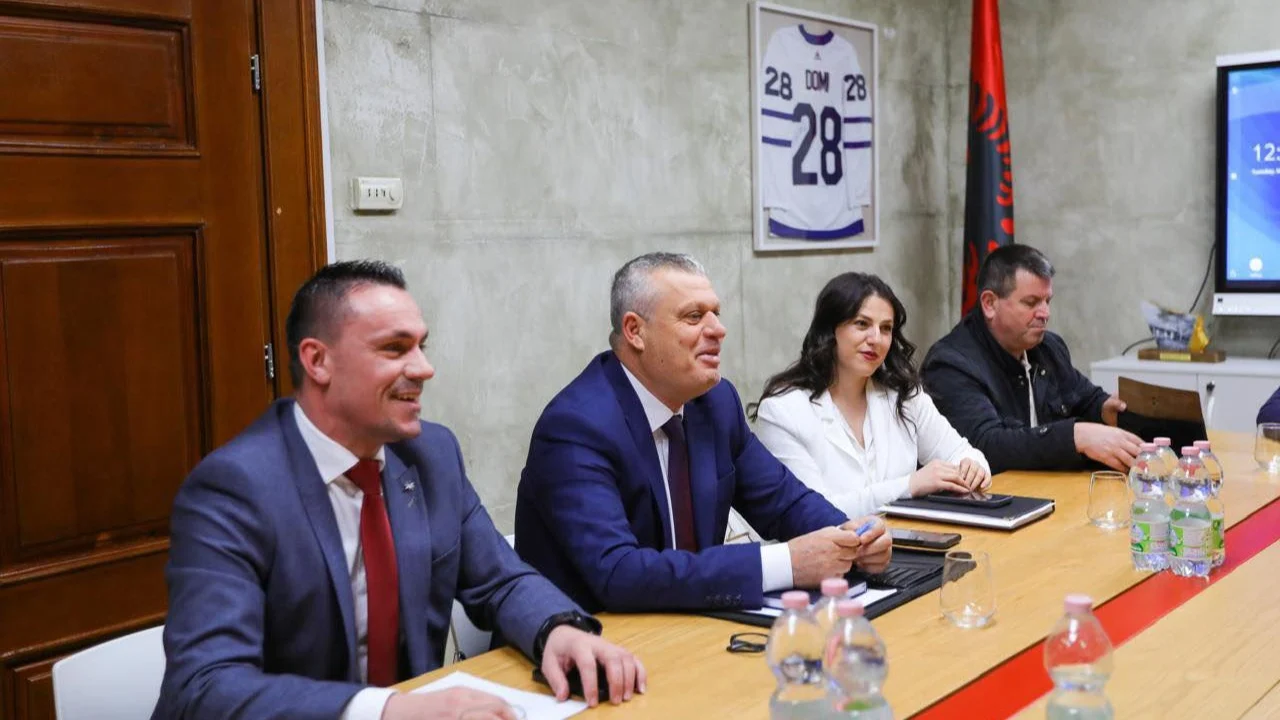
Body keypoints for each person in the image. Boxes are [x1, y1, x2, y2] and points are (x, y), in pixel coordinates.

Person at [153, 261, 644, 720]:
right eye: (394, 348)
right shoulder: (234, 489)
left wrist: (558, 629)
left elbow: (501, 581)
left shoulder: (432, 454)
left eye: (421, 346)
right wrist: (388, 710)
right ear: (317, 361)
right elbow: (204, 686)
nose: (424, 368)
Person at [514, 253, 892, 615]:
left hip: (693, 625)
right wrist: (786, 564)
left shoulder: (714, 402)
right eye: (694, 317)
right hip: (591, 640)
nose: (718, 330)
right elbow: (618, 573)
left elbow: (784, 502)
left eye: (716, 314)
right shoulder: (576, 426)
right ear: (635, 331)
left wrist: (852, 536)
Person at [752, 272, 990, 518]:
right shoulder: (782, 411)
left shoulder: (904, 395)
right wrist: (908, 486)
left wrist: (972, 467)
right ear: (830, 330)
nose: (876, 339)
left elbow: (964, 454)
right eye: (862, 324)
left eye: (886, 328)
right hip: (830, 542)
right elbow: (814, 514)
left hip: (908, 538)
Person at [921, 245, 1142, 474]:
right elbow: (985, 445)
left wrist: (1104, 409)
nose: (1045, 314)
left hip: (1048, 487)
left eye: (1047, 301)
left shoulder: (1049, 348)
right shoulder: (950, 364)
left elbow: (1085, 399)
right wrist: (1074, 437)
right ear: (989, 303)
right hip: (993, 493)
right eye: (1031, 302)